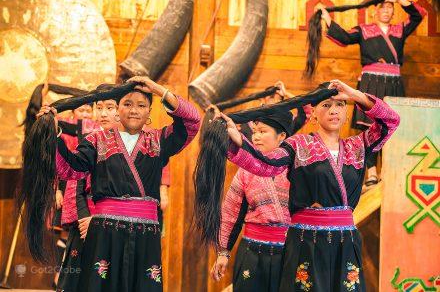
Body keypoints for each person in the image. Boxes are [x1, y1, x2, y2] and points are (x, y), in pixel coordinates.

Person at [218, 80, 399, 291]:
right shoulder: (299, 145)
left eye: (339, 105)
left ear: (347, 112)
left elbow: (391, 121)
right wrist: (237, 138)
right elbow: (265, 163)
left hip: (345, 242)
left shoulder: (358, 146)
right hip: (306, 242)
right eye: (326, 105)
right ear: (313, 113)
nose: (333, 110)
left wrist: (355, 95)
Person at [39, 76, 201, 291]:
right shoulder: (96, 140)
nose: (134, 110)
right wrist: (54, 133)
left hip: (146, 233)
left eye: (141, 105)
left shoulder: (160, 140)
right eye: (127, 104)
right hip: (105, 233)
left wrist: (159, 90)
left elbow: (192, 122)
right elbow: (70, 169)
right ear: (118, 109)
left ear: (149, 112)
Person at [321, 0, 426, 186]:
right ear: (374, 12)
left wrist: (402, 0)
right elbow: (344, 37)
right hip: (371, 82)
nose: (386, 10)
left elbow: (418, 16)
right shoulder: (364, 30)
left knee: (391, 127)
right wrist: (326, 17)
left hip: (393, 83)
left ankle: (387, 171)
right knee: (369, 128)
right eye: (382, 7)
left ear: (393, 12)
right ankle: (370, 172)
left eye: (389, 7)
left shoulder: (400, 29)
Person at [211, 111, 294, 291]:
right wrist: (223, 253)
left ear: (281, 136)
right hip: (252, 253)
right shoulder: (245, 172)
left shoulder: (296, 169)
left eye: (262, 131)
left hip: (289, 253)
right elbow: (231, 214)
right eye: (254, 131)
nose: (256, 137)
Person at [57, 96, 119, 291]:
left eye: (109, 108)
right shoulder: (90, 140)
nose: (102, 113)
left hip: (113, 221)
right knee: (77, 277)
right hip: (84, 220)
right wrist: (85, 219)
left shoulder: (131, 143)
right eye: (98, 108)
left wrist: (98, 219)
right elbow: (77, 183)